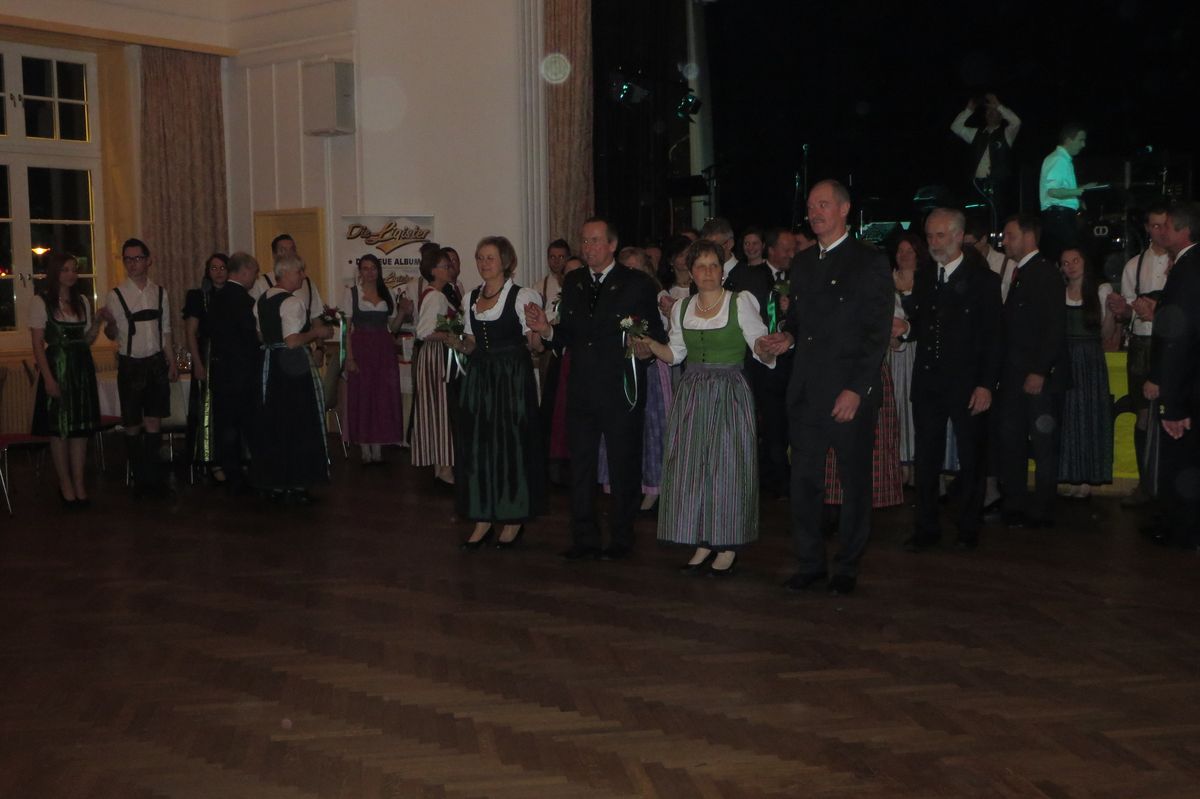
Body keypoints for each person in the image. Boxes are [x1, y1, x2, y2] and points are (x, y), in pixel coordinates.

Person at [760, 180, 894, 596]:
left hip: (848, 393)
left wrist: (856, 389)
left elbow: (876, 333)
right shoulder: (802, 263)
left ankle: (847, 566)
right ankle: (810, 563)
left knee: (854, 484)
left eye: (823, 205)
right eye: (811, 206)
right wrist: (787, 337)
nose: (814, 212)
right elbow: (801, 322)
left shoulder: (869, 261)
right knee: (803, 483)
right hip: (806, 391)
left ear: (844, 209)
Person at [632, 239, 778, 575]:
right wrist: (650, 344)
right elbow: (675, 354)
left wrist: (766, 347)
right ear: (692, 272)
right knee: (693, 468)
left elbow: (758, 345)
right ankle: (702, 540)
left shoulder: (739, 302)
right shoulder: (682, 308)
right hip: (693, 393)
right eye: (701, 266)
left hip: (729, 392)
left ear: (722, 271)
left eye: (714, 265)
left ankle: (726, 544)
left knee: (727, 468)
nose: (708, 272)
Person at [525, 217, 667, 561]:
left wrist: (644, 350)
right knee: (581, 467)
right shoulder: (574, 281)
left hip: (620, 390)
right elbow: (568, 335)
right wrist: (546, 330)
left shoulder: (636, 283)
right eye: (584, 241)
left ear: (612, 245)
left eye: (595, 240)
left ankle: (622, 537)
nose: (588, 247)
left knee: (623, 466)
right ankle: (584, 537)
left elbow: (655, 336)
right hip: (582, 389)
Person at [900, 208, 1002, 551]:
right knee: (926, 458)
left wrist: (986, 384)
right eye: (929, 235)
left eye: (940, 235)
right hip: (928, 382)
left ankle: (968, 527)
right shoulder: (926, 276)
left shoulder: (984, 281)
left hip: (968, 383)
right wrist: (905, 330)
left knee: (972, 457)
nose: (933, 242)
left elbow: (993, 337)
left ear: (959, 236)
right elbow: (923, 325)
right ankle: (925, 528)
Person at [450, 236, 545, 549]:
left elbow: (535, 345)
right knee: (479, 444)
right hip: (480, 377)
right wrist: (457, 344)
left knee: (510, 443)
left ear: (505, 261)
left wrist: (540, 332)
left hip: (511, 377)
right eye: (480, 257)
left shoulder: (522, 296)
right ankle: (483, 517)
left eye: (490, 257)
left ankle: (513, 516)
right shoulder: (470, 298)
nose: (484, 263)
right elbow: (472, 343)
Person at [995, 214, 1069, 528]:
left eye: (1009, 235)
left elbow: (1054, 327)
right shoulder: (1021, 272)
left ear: (1028, 236)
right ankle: (1014, 502)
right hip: (1014, 374)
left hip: (1037, 376)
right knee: (1011, 438)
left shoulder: (1045, 273)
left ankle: (1042, 508)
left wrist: (1040, 370)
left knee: (1042, 444)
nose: (1004, 242)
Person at [99, 237, 177, 494]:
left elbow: (165, 330)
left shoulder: (160, 293)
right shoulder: (116, 295)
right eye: (128, 259)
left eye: (138, 258)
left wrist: (171, 361)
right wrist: (110, 324)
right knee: (132, 423)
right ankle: (139, 478)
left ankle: (154, 478)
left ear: (148, 260)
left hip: (156, 362)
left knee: (154, 420)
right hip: (130, 363)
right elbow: (111, 334)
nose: (133, 264)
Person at [251, 255, 332, 504]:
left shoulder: (262, 299)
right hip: (291, 368)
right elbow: (292, 341)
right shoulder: (292, 302)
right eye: (299, 272)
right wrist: (317, 332)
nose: (302, 276)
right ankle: (296, 483)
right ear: (285, 273)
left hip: (270, 366)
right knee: (298, 424)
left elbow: (260, 335)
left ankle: (274, 482)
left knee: (274, 424)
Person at [598, 246, 672, 512]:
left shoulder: (658, 295)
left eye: (636, 268)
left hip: (650, 367)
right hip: (620, 368)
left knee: (652, 426)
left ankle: (654, 485)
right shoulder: (613, 294)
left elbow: (668, 330)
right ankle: (623, 482)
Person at [1108, 205, 1172, 507]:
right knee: (1143, 415)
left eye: (1164, 225)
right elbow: (1126, 315)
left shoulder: (1181, 262)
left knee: (1172, 414)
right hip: (1142, 345)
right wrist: (1123, 311)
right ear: (1147, 228)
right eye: (1154, 225)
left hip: (1170, 345)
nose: (1159, 231)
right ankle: (1146, 483)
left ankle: (1169, 485)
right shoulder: (1134, 265)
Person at [1145, 202, 1200, 550]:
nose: (1160, 233)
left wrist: (1173, 403)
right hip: (1190, 383)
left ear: (1183, 231)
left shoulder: (1187, 269)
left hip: (1188, 387)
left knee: (1182, 462)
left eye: (1166, 227)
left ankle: (1184, 530)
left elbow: (1179, 338)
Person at [29, 252, 103, 508]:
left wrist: (98, 322)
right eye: (65, 269)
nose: (71, 274)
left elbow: (86, 339)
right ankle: (65, 484)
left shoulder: (81, 301)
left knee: (79, 430)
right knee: (59, 430)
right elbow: (38, 345)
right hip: (58, 368)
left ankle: (80, 484)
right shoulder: (41, 302)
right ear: (55, 273)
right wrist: (48, 379)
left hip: (81, 370)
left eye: (74, 269)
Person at [1057, 248, 1116, 498]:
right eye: (1065, 263)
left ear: (1085, 262)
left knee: (1090, 417)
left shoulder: (1101, 290)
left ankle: (1087, 479)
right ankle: (1072, 475)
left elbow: (1106, 334)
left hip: (1090, 360)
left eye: (1075, 261)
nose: (1070, 266)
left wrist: (1111, 313)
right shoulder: (1058, 292)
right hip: (1065, 359)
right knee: (1069, 419)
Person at [207, 252, 261, 494]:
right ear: (245, 271)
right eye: (254, 272)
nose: (255, 277)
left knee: (226, 428)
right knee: (249, 427)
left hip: (222, 372)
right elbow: (251, 339)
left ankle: (233, 476)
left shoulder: (216, 299)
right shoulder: (244, 302)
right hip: (243, 374)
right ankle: (255, 475)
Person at [343, 253, 403, 464]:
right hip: (361, 348)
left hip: (383, 349)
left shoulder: (388, 293)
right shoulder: (352, 293)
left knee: (381, 396)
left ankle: (378, 443)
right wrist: (349, 357)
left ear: (379, 270)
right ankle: (363, 444)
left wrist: (403, 312)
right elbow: (346, 329)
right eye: (366, 268)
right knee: (363, 395)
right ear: (360, 271)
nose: (370, 272)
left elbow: (393, 327)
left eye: (373, 268)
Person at [411, 247, 459, 484]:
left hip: (433, 356)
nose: (449, 269)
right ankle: (445, 467)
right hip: (436, 356)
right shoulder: (436, 296)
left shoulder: (435, 294)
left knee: (436, 409)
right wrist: (451, 334)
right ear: (433, 270)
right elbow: (424, 332)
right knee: (441, 409)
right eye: (444, 266)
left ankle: (441, 466)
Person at [757, 228, 797, 499]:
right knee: (771, 426)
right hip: (764, 366)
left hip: (793, 364)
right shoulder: (754, 276)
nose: (791, 254)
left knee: (791, 425)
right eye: (786, 249)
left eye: (794, 249)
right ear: (771, 250)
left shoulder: (799, 276)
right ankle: (775, 480)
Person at [183, 252, 229, 481]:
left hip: (229, 359)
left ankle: (231, 458)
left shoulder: (234, 295)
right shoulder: (198, 297)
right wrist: (197, 364)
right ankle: (211, 460)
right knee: (208, 410)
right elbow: (191, 332)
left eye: (222, 268)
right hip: (207, 356)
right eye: (214, 268)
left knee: (228, 411)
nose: (218, 272)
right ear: (207, 272)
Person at [251, 233, 328, 364]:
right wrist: (316, 333)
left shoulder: (308, 283)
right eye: (283, 250)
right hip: (291, 361)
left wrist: (319, 348)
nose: (288, 253)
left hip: (273, 359)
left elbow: (316, 316)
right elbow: (291, 342)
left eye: (292, 249)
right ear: (274, 254)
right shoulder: (261, 284)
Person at [890, 232, 928, 483]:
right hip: (892, 353)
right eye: (900, 251)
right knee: (897, 406)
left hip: (917, 352)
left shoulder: (926, 281)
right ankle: (899, 466)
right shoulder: (886, 280)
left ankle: (917, 466)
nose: (904, 256)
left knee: (914, 408)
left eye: (909, 251)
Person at [950, 93, 1021, 222]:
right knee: (977, 217)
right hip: (977, 184)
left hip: (998, 185)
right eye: (988, 111)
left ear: (1001, 115)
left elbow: (1016, 122)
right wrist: (969, 110)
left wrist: (998, 105)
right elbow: (956, 127)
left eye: (994, 111)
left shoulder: (1006, 133)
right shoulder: (976, 133)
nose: (990, 114)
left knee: (996, 216)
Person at [1039, 124, 1102, 263]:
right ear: (1068, 140)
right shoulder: (1059, 160)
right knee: (1072, 256)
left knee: (1063, 258)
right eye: (1080, 140)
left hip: (1057, 216)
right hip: (1059, 217)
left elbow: (1058, 189)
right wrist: (1079, 191)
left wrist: (1081, 189)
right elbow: (1053, 191)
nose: (1083, 144)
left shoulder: (1059, 159)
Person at [963, 218, 1015, 302]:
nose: (965, 249)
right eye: (963, 245)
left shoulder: (1008, 264)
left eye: (969, 244)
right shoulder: (963, 263)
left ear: (983, 240)